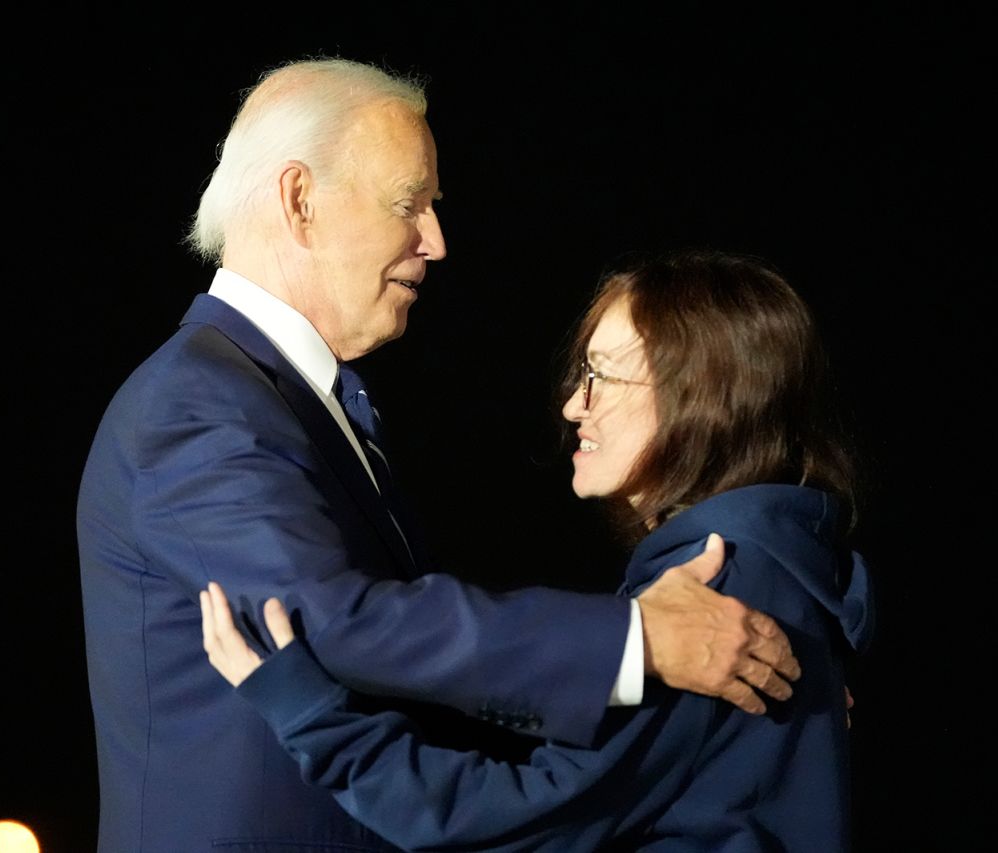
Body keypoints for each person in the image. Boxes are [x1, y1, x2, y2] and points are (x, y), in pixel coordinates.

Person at [77, 59, 800, 851]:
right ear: (299, 201)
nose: (436, 241)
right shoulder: (193, 402)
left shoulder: (288, 399)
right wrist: (637, 640)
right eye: (408, 204)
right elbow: (335, 621)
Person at [201, 250, 875, 850]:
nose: (573, 406)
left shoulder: (717, 591)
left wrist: (314, 717)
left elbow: (501, 822)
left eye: (603, 377)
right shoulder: (786, 565)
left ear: (703, 398)